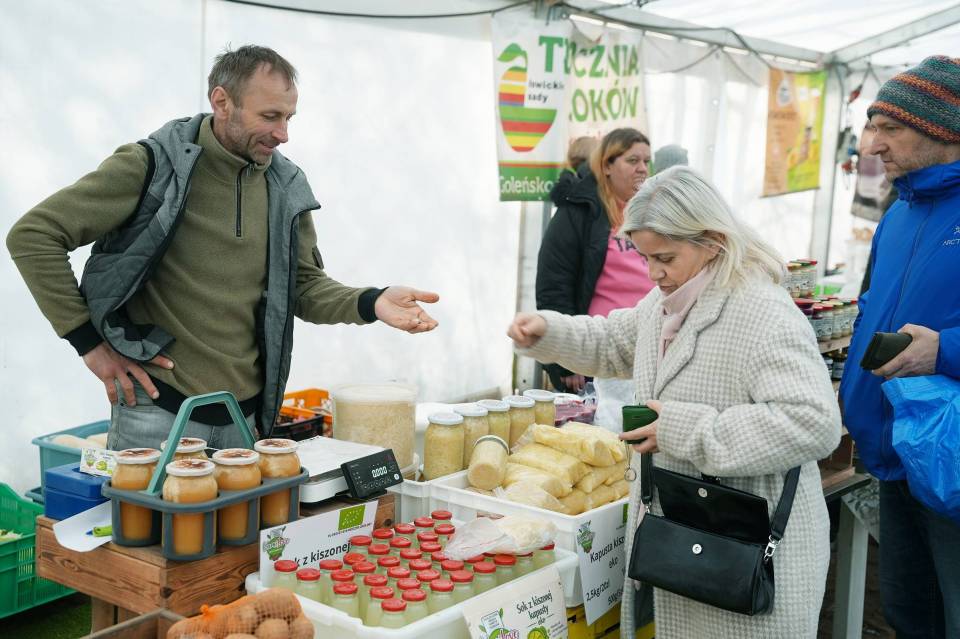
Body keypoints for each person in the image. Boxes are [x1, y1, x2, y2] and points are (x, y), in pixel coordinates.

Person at [7, 45, 438, 451]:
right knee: (149, 515)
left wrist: (373, 301)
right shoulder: (152, 166)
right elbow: (34, 235)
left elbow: (304, 287)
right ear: (222, 102)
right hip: (156, 414)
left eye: (289, 117)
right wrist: (89, 345)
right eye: (270, 116)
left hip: (244, 420)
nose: (283, 134)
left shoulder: (286, 186)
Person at [510, 166, 840, 638]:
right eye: (645, 257)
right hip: (692, 541)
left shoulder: (763, 312)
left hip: (750, 554)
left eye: (664, 257)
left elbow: (813, 422)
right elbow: (615, 342)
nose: (653, 272)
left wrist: (682, 430)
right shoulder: (671, 300)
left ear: (712, 240)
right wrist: (549, 331)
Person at [839, 55, 960, 638]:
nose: (871, 145)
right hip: (893, 455)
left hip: (950, 461)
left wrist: (947, 351)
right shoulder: (899, 212)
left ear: (945, 129)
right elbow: (872, 309)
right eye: (871, 127)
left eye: (890, 128)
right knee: (909, 616)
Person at [535, 128, 654, 412]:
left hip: (646, 349)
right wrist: (566, 361)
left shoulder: (650, 213)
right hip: (598, 351)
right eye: (632, 160)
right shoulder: (579, 211)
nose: (642, 169)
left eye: (646, 161)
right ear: (606, 166)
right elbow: (554, 286)